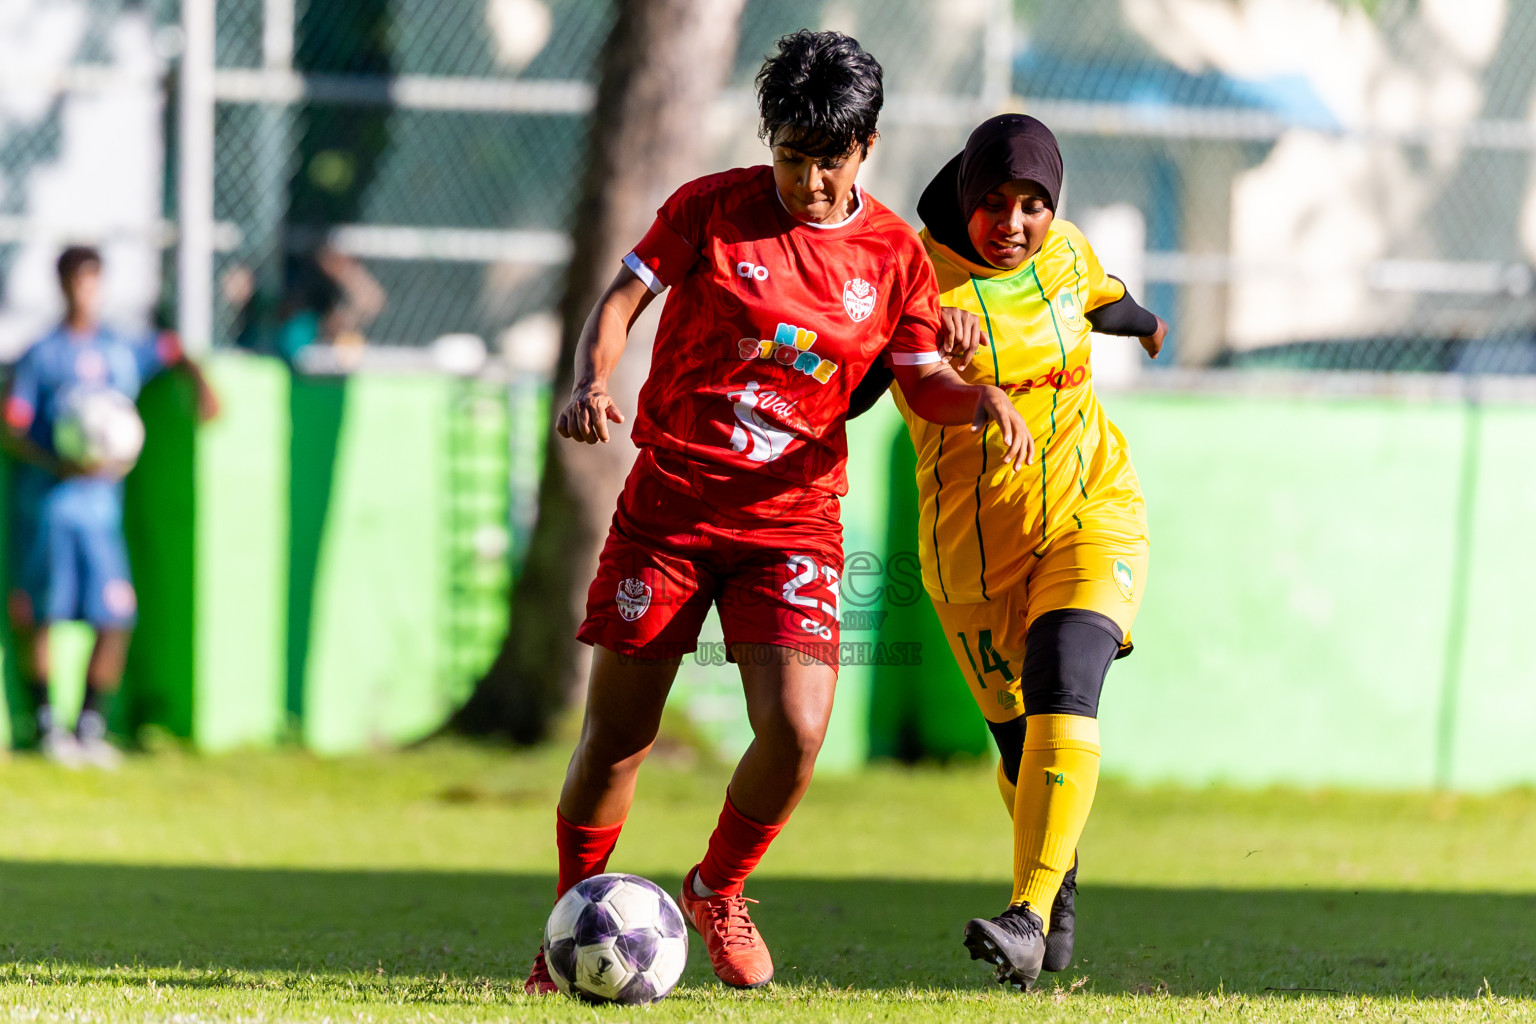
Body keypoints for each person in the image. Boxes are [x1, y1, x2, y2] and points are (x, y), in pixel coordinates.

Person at [525, 31, 1029, 993]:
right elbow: (624, 297)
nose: (802, 177)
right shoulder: (709, 209)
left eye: (824, 159)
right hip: (669, 511)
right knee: (617, 738)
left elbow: (921, 384)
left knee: (797, 731)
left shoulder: (891, 256)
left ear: (865, 150)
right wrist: (592, 380)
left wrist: (981, 398)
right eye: (788, 154)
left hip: (791, 524)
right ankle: (573, 921)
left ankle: (718, 888)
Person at [848, 114, 1168, 991]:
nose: (1016, 221)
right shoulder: (912, 276)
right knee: (1025, 751)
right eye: (995, 202)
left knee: (1071, 679)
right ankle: (1054, 879)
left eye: (1033, 203)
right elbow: (858, 386)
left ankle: (1025, 913)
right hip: (972, 560)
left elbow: (1100, 297)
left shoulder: (1065, 252)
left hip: (1090, 511)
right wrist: (916, 351)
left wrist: (1144, 322)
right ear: (965, 198)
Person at [3, 246, 219, 767]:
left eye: (94, 282)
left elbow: (170, 348)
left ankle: (90, 725)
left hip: (103, 515)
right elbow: (11, 425)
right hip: (50, 511)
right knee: (44, 613)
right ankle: (47, 725)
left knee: (116, 616)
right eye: (78, 282)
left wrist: (200, 381)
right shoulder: (42, 354)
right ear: (63, 286)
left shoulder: (122, 348)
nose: (87, 292)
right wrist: (59, 464)